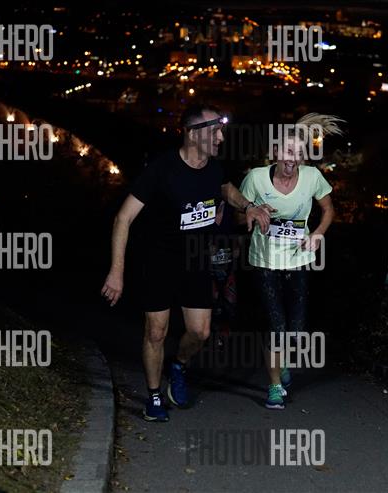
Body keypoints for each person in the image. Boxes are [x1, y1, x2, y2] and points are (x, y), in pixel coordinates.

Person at [101, 104, 274, 422]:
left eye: (221, 132)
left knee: (201, 332)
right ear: (193, 134)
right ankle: (154, 397)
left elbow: (226, 189)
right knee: (156, 332)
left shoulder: (214, 168)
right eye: (215, 132)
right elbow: (123, 218)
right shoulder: (161, 170)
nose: (221, 138)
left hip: (195, 261)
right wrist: (116, 271)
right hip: (158, 261)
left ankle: (178, 365)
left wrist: (248, 205)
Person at [239, 113, 343, 409]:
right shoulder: (256, 178)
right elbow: (237, 215)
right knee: (276, 326)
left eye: (298, 153)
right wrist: (254, 211)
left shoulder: (312, 177)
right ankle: (274, 386)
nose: (292, 158)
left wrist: (318, 234)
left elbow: (329, 210)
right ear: (275, 152)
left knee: (295, 330)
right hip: (265, 260)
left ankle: (282, 363)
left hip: (298, 260)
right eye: (287, 151)